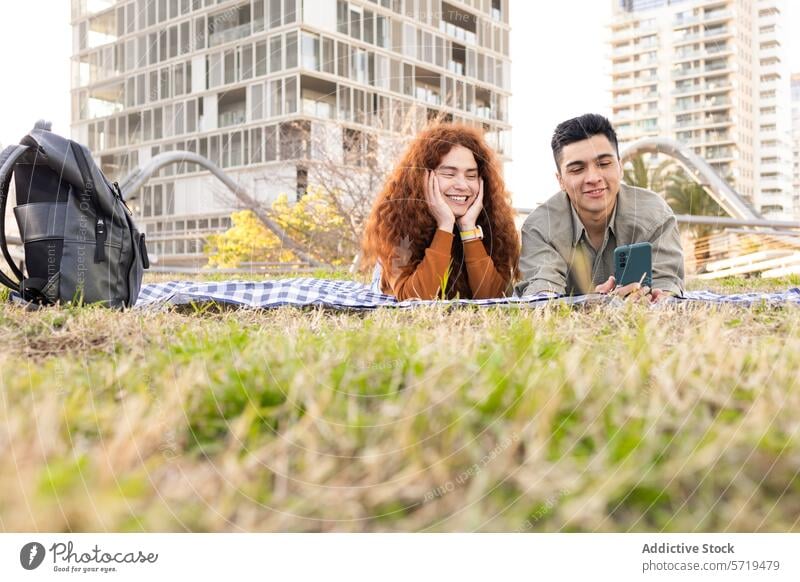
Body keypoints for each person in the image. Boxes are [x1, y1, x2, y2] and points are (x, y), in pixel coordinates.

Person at [515, 113, 685, 302]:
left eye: (604, 164)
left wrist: (653, 297)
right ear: (560, 180)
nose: (593, 178)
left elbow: (667, 285)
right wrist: (595, 304)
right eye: (577, 169)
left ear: (620, 168)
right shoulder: (539, 226)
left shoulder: (655, 215)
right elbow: (541, 293)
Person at [362, 124, 519, 300]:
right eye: (449, 174)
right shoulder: (396, 222)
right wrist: (444, 226)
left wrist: (468, 230)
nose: (462, 185)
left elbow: (495, 299)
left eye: (471, 176)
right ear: (422, 177)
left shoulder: (494, 223)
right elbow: (412, 299)